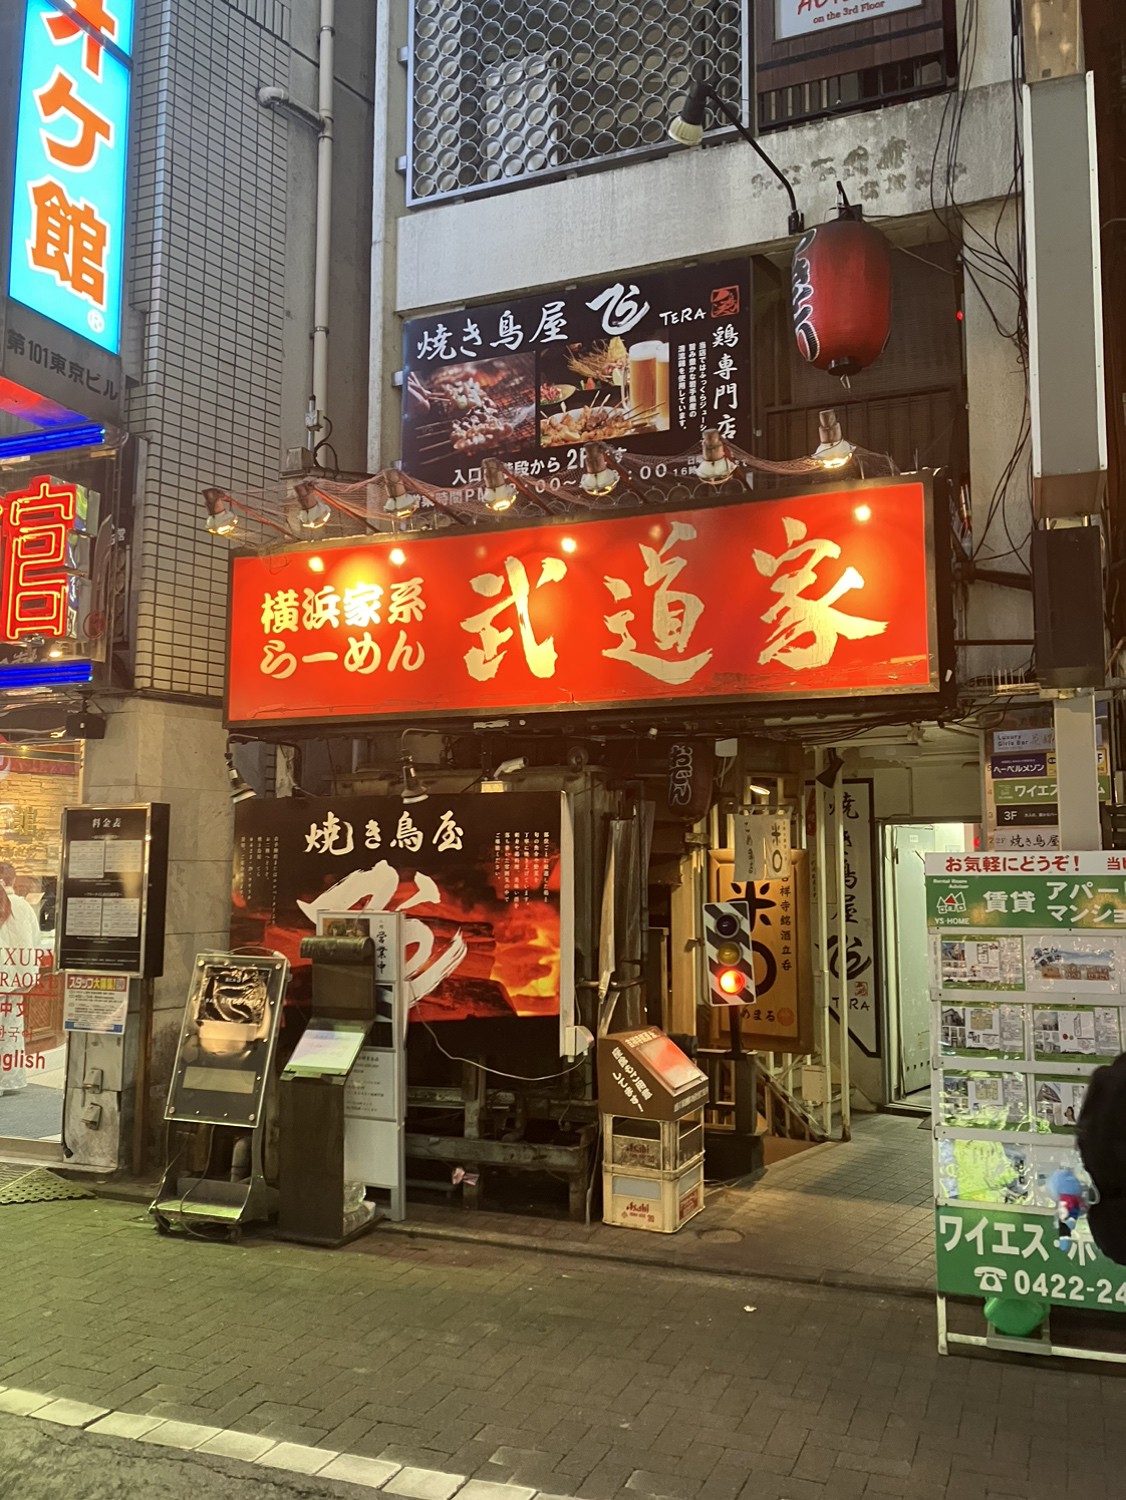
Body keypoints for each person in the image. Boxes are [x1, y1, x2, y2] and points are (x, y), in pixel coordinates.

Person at [0, 867, 46, 1096]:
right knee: (11, 1031)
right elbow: (34, 944)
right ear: (14, 879)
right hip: (15, 979)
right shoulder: (23, 906)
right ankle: (7, 1080)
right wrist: (28, 975)